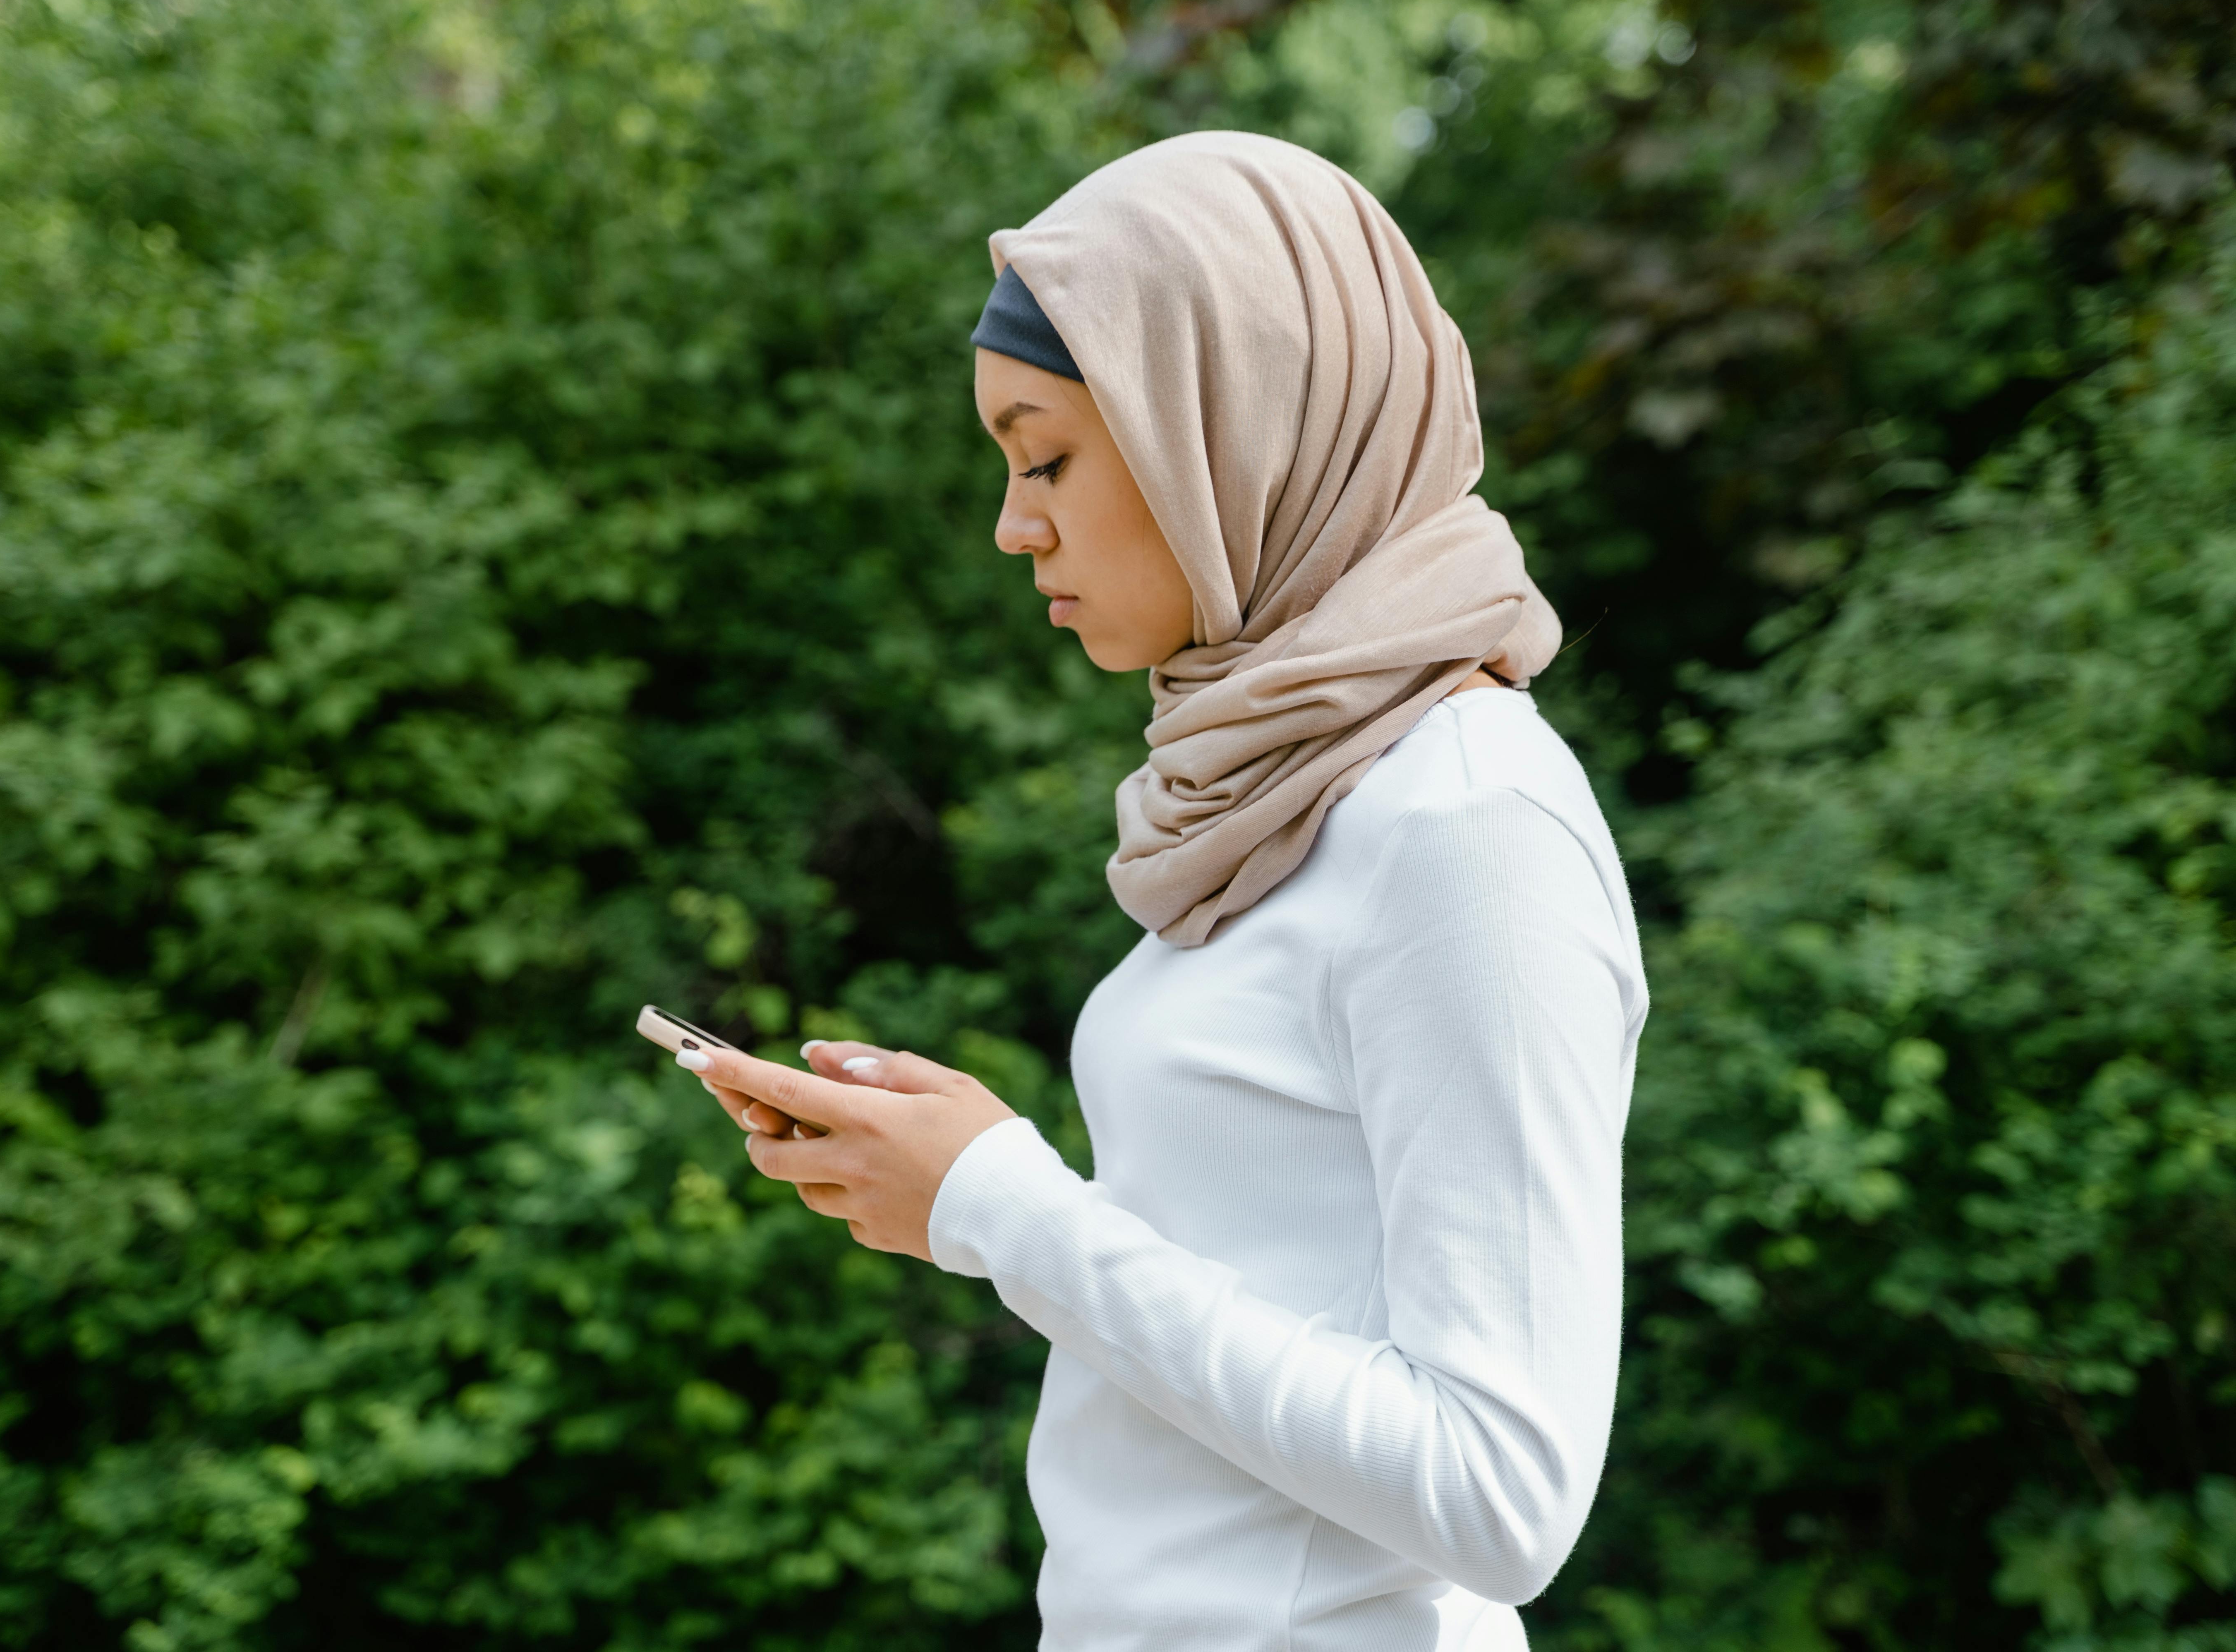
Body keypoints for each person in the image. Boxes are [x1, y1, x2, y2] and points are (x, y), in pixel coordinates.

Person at [676, 131, 1646, 1652]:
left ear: (1225, 423)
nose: (1015, 527)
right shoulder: (1276, 799)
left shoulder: (1468, 823)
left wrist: (1009, 1209)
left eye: (1046, 454)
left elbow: (1503, 1495)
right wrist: (958, 1188)